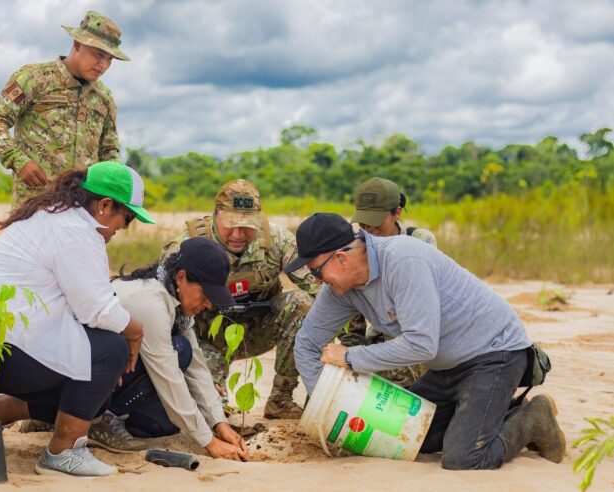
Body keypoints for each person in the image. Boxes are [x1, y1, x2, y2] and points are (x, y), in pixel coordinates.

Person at [288, 213, 565, 470]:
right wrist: (327, 401)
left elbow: (421, 344)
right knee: (407, 438)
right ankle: (499, 411)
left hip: (494, 352)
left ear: (340, 259)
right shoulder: (341, 289)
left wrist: (350, 357)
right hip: (447, 366)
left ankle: (534, 418)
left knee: (464, 457)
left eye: (315, 272)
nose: (318, 281)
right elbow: (307, 343)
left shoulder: (402, 260)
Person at [0, 161, 155, 477]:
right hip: (8, 353)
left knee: (95, 392)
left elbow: (82, 303)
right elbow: (97, 309)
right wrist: (135, 332)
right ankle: (64, 451)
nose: (121, 229)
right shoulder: (76, 232)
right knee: (110, 350)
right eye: (125, 220)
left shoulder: (51, 216)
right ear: (103, 205)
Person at [161, 179, 317, 419]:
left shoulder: (277, 240)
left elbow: (320, 287)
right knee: (212, 409)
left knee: (302, 302)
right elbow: (162, 308)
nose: (237, 234)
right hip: (206, 339)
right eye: (230, 225)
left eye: (246, 226)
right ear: (215, 216)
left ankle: (281, 399)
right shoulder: (185, 247)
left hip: (258, 330)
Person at [94, 237, 249, 461]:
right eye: (205, 295)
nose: (208, 305)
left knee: (163, 425)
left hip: (114, 381)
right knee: (179, 349)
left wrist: (219, 423)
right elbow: (168, 378)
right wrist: (209, 442)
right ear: (182, 277)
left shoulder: (175, 300)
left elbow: (197, 369)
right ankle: (95, 420)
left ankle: (66, 418)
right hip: (86, 379)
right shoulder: (150, 302)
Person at [0, 10, 129, 205]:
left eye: (110, 59)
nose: (103, 64)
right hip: (35, 206)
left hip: (82, 211)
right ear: (77, 44)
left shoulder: (104, 97)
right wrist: (18, 160)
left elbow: (109, 153)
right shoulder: (35, 78)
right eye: (98, 54)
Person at [340, 177, 437, 387]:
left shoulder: (420, 241)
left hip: (414, 339)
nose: (369, 228)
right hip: (378, 342)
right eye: (363, 222)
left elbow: (425, 302)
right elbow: (350, 304)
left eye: (375, 220)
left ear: (397, 213)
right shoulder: (357, 247)